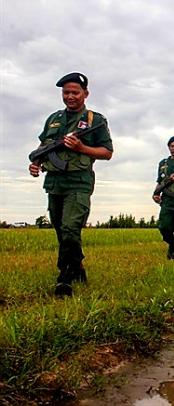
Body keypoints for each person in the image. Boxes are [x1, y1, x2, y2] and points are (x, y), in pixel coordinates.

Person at [29, 72, 113, 296]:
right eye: (66, 92)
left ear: (85, 94)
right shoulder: (53, 118)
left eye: (75, 92)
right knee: (61, 231)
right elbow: (42, 146)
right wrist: (36, 163)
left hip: (79, 182)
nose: (70, 96)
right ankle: (78, 265)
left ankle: (64, 277)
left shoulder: (96, 120)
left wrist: (81, 148)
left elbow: (107, 152)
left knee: (70, 228)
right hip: (54, 182)